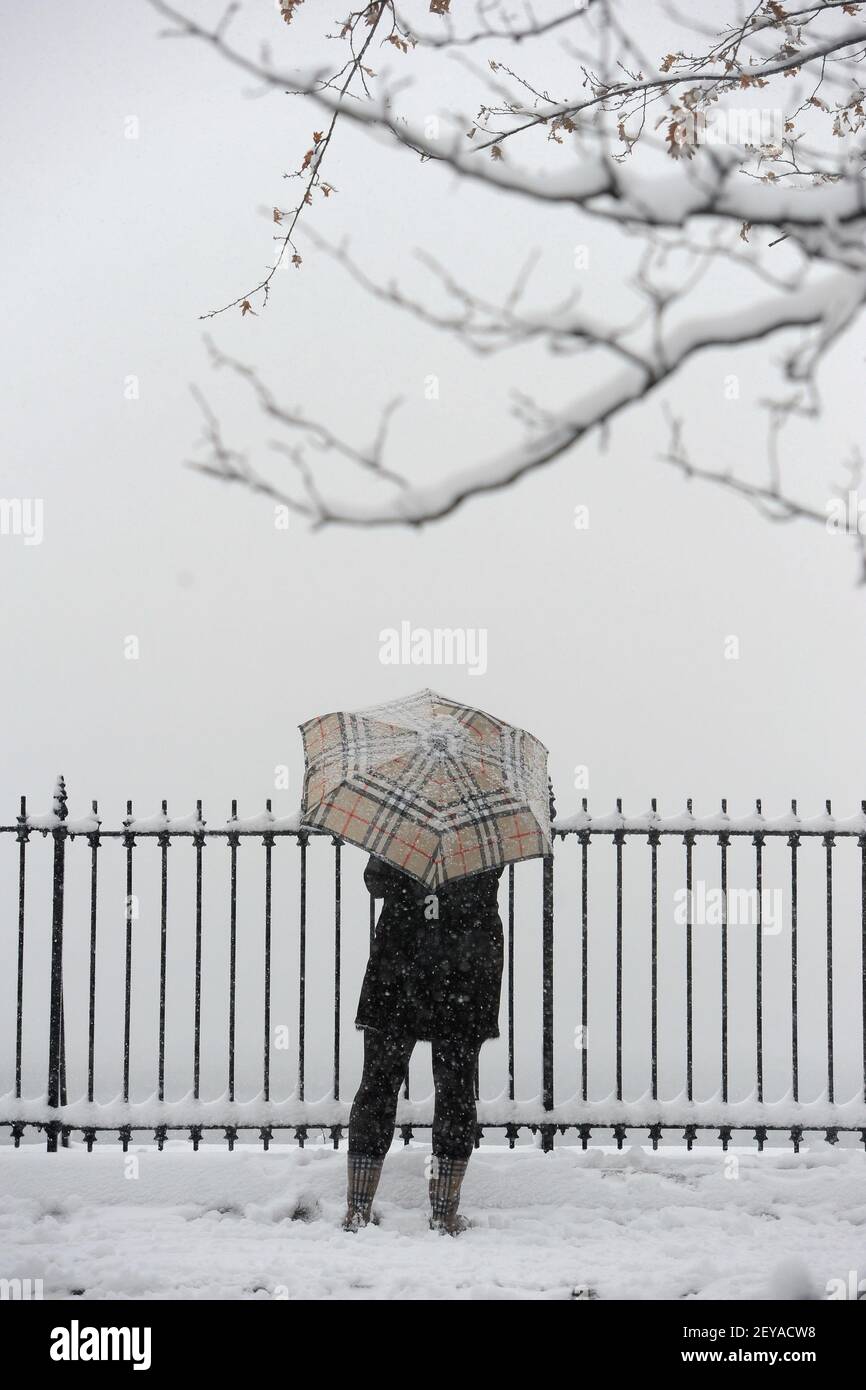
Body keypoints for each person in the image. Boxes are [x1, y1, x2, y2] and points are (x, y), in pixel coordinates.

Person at [344, 854, 505, 1235]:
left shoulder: (402, 830)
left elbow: (375, 882)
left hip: (399, 968)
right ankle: (444, 1214)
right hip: (464, 973)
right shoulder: (481, 837)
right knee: (455, 1089)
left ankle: (358, 1209)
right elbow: (486, 887)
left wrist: (415, 879)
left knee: (378, 1084)